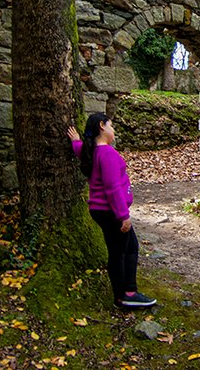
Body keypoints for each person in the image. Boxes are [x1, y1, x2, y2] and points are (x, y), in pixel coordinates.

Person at [68, 112, 157, 309]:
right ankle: (124, 295)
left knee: (129, 247)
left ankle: (128, 292)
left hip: (103, 210)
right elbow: (112, 188)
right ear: (102, 126)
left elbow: (81, 150)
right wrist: (123, 216)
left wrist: (76, 142)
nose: (113, 129)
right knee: (120, 252)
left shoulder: (93, 151)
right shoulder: (107, 153)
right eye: (111, 125)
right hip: (110, 211)